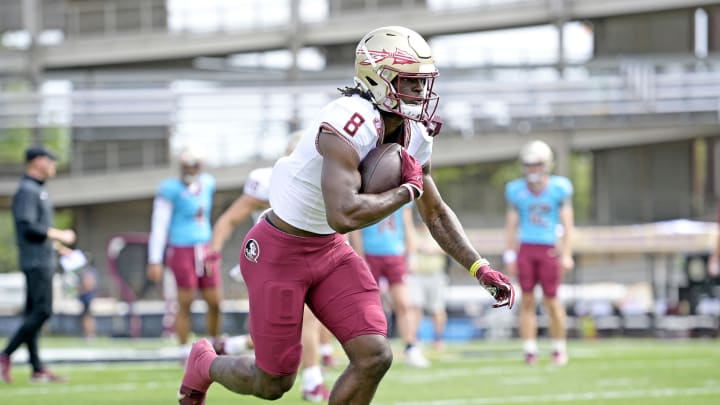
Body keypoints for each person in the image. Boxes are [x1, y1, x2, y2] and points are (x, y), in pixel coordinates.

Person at [178, 25, 514, 405]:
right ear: (377, 77)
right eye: (410, 82)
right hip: (279, 250)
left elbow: (434, 212)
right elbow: (343, 213)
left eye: (423, 83)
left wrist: (479, 268)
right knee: (272, 383)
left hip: (329, 251)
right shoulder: (347, 119)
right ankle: (204, 363)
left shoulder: (415, 133)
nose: (421, 93)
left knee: (375, 355)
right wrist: (406, 190)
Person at [203, 135, 333, 402]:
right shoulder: (269, 183)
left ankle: (229, 347)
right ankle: (311, 382)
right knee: (288, 329)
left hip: (306, 259)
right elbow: (230, 218)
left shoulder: (326, 180)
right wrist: (214, 250)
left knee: (298, 324)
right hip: (271, 263)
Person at [1, 146, 76, 384]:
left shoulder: (38, 190)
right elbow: (27, 226)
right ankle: (5, 354)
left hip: (41, 257)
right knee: (43, 311)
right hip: (35, 262)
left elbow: (36, 232)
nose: (54, 165)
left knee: (33, 314)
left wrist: (57, 247)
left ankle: (37, 368)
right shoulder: (27, 190)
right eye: (50, 160)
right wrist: (59, 235)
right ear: (38, 161)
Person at [503, 139, 574, 366]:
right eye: (529, 164)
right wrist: (509, 253)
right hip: (526, 248)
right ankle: (530, 349)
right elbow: (511, 225)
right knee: (527, 300)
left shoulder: (559, 188)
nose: (532, 169)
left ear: (546, 165)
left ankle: (559, 347)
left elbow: (568, 225)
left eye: (536, 164)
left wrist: (567, 253)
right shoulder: (516, 190)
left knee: (552, 301)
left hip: (549, 248)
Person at [147, 145, 222, 359]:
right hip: (182, 248)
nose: (190, 169)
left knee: (215, 301)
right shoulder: (170, 188)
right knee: (186, 301)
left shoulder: (207, 183)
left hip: (205, 247)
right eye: (187, 165)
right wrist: (155, 258)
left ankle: (214, 344)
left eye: (194, 165)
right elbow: (159, 224)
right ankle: (183, 349)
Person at [349, 205, 430, 368]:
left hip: (395, 253)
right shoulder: (367, 189)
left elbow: (407, 224)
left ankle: (411, 347)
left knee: (404, 303)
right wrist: (360, 256)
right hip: (371, 253)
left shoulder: (399, 190)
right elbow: (356, 227)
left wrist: (411, 253)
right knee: (369, 305)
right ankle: (372, 348)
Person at [407, 220, 449, 352]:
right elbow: (408, 247)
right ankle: (415, 339)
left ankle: (438, 339)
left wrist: (432, 250)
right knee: (415, 307)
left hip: (436, 274)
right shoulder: (411, 232)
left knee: (437, 309)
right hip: (416, 276)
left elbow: (449, 248)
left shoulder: (439, 232)